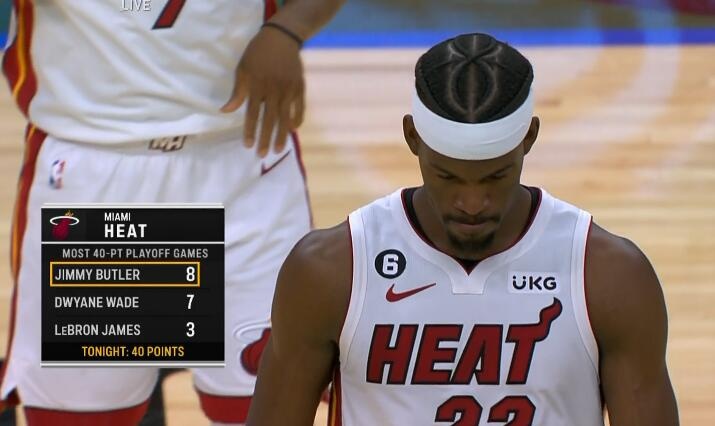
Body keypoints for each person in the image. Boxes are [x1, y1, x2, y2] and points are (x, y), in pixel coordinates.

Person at [246, 33, 680, 425]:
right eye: (448, 176)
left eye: (495, 177)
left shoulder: (608, 277)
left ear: (529, 138)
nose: (472, 204)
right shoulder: (330, 272)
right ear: (412, 137)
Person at [0, 0, 345, 424]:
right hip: (94, 169)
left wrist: (288, 29)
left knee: (265, 411)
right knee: (82, 418)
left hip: (244, 159)